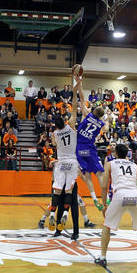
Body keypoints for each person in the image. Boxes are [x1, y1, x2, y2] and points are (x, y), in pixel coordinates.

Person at [94, 144, 137, 267]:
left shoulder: (110, 164)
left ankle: (103, 257)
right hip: (135, 195)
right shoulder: (135, 166)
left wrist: (104, 204)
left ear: (115, 153)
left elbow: (104, 186)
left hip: (120, 194)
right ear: (127, 154)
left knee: (107, 226)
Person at [48, 73, 81, 232]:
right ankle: (66, 213)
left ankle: (52, 213)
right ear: (65, 121)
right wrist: (75, 90)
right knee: (69, 190)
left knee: (57, 189)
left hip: (61, 162)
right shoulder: (71, 125)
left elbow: (54, 144)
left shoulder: (55, 134)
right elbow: (74, 108)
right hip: (72, 162)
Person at [74, 71, 109, 210]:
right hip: (90, 148)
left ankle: (94, 199)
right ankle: (106, 198)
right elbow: (106, 129)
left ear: (93, 111)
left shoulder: (87, 114)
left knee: (87, 175)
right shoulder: (101, 123)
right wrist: (106, 119)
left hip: (79, 149)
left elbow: (82, 98)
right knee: (99, 173)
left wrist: (80, 82)